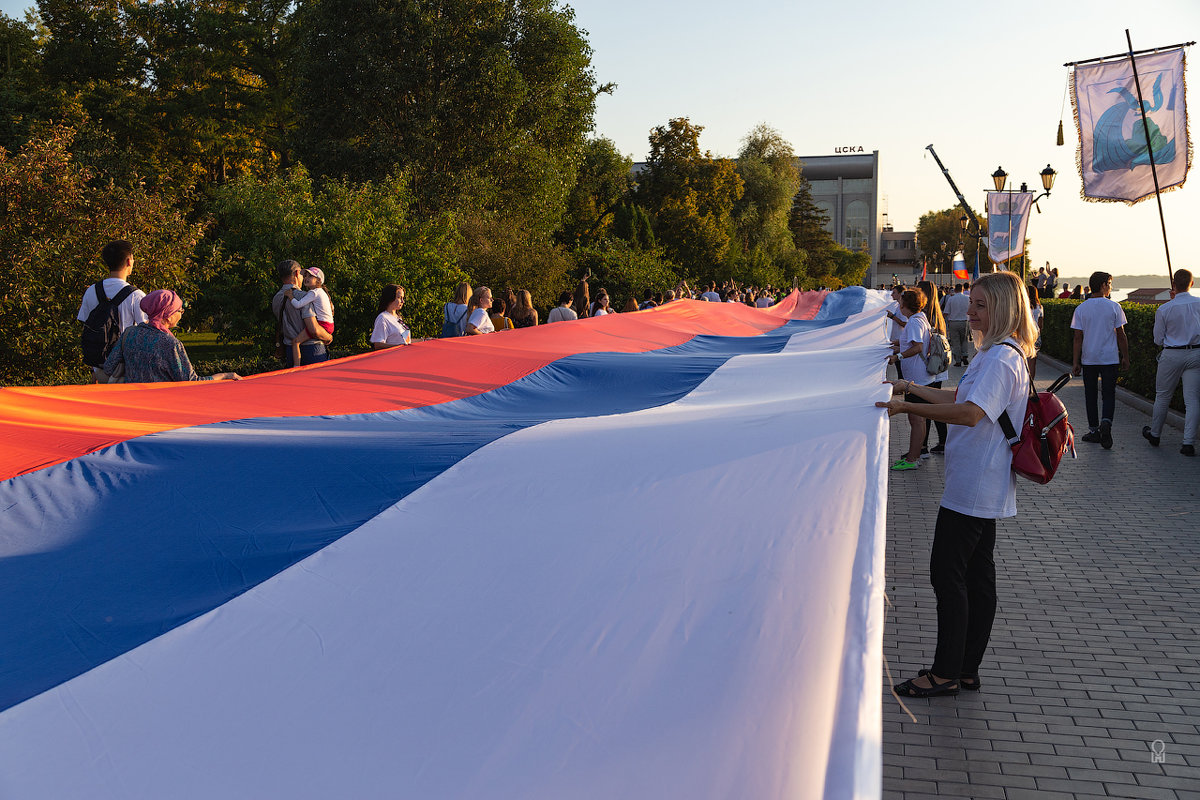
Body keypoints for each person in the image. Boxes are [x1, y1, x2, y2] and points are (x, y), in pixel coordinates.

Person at [877, 271, 1036, 697]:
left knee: (948, 576)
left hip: (975, 484)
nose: (971, 311)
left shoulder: (1002, 358)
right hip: (978, 480)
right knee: (977, 577)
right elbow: (960, 397)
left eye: (981, 305)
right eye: (974, 302)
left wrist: (906, 407)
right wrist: (908, 388)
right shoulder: (997, 353)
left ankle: (946, 671)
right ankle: (965, 669)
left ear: (1003, 309)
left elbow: (970, 414)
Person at [103, 290, 241, 383]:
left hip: (130, 404)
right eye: (179, 310)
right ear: (168, 316)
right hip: (161, 409)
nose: (182, 313)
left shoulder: (130, 333)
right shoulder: (171, 344)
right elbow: (191, 383)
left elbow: (108, 368)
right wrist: (225, 375)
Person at [1143, 269, 1200, 456]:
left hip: (1172, 354)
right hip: (1196, 353)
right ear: (1191, 284)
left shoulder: (1165, 309)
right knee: (1192, 400)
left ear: (1174, 285)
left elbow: (1158, 340)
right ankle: (1188, 443)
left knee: (1163, 396)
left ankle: (1156, 434)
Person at [1071, 271, 1129, 449]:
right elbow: (1121, 335)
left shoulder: (1081, 308)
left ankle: (1094, 430)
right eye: (1110, 283)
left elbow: (1077, 338)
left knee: (1090, 395)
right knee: (1109, 394)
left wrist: (1076, 361)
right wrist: (1125, 356)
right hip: (1110, 358)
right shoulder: (1113, 307)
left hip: (1089, 359)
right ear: (1103, 285)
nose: (1110, 286)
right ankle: (1106, 422)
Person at [77, 240, 147, 381]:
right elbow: (145, 331)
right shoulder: (136, 295)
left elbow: (86, 327)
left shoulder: (92, 291)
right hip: (124, 369)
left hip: (99, 368)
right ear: (129, 261)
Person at [888, 287, 937, 470]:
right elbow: (910, 341)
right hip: (919, 377)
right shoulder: (919, 318)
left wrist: (897, 357)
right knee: (918, 419)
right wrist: (895, 344)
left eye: (900, 302)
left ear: (905, 305)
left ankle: (912, 459)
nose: (899, 306)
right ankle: (915, 455)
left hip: (917, 378)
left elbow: (917, 347)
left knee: (916, 420)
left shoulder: (914, 322)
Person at [272, 260, 332, 367]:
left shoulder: (276, 298)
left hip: (290, 350)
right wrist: (328, 337)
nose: (303, 278)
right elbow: (313, 329)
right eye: (302, 275)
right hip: (312, 350)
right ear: (296, 273)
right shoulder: (304, 296)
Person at [917, 280, 950, 455]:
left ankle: (922, 446)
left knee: (926, 406)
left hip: (929, 367)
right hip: (939, 368)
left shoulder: (924, 316)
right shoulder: (938, 315)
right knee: (936, 406)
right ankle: (943, 441)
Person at [287, 267, 334, 367]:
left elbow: (298, 305)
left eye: (310, 276)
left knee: (295, 342)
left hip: (322, 325)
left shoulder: (313, 293)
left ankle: (296, 368)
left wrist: (290, 296)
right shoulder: (322, 292)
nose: (306, 278)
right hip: (329, 325)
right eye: (305, 276)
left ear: (318, 280)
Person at [370, 284, 411, 349]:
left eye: (403, 298)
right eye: (399, 298)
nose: (402, 301)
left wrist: (424, 340)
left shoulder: (398, 318)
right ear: (390, 298)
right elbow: (378, 345)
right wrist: (399, 347)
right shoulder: (383, 318)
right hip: (393, 357)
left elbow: (406, 342)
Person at [944, 284, 972, 367]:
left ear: (955, 290)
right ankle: (965, 354)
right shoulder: (967, 298)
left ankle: (958, 360)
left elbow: (946, 312)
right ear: (963, 289)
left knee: (955, 341)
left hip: (953, 322)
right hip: (964, 321)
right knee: (964, 339)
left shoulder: (951, 299)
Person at [1027, 284, 1043, 380]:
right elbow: (1041, 324)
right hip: (1036, 334)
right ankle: (1031, 383)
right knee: (1033, 361)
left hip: (1025, 334)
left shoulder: (1023, 306)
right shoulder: (1040, 307)